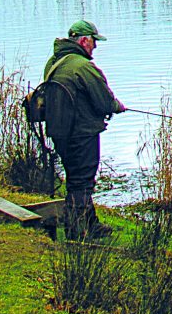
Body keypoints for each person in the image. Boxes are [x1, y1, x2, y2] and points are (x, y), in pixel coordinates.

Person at [38, 19, 123, 237]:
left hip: (59, 132)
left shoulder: (53, 62)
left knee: (75, 177)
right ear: (84, 40)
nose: (95, 46)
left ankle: (90, 225)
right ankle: (76, 231)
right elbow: (104, 100)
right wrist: (117, 106)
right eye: (94, 41)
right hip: (81, 133)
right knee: (82, 181)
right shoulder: (83, 66)